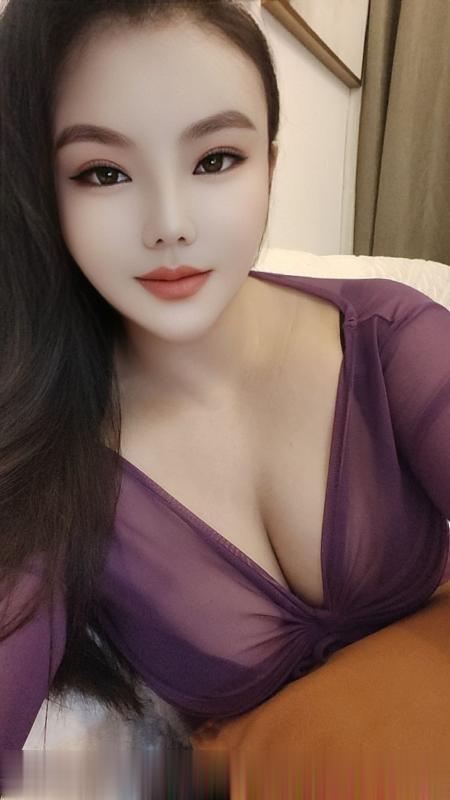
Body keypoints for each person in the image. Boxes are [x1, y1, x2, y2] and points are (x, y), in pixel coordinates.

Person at [1, 0, 449, 753]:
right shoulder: (51, 445)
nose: (169, 224)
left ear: (270, 163)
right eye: (103, 172)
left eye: (215, 160)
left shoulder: (391, 341)